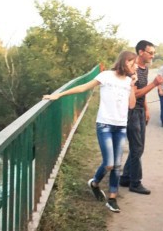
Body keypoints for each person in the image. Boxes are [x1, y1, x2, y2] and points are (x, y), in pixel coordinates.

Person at [43, 50, 138, 213]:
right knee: (109, 163)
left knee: (117, 165)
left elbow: (131, 105)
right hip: (105, 125)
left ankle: (112, 198)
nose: (135, 66)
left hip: (121, 126)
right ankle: (94, 183)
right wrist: (59, 95)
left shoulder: (129, 81)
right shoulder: (106, 76)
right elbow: (83, 88)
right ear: (124, 62)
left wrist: (132, 85)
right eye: (133, 63)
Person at [119, 40, 163, 195]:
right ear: (140, 52)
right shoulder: (133, 70)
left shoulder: (145, 68)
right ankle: (135, 182)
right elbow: (135, 93)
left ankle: (125, 177)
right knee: (137, 148)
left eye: (153, 53)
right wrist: (154, 84)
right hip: (131, 112)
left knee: (138, 148)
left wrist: (146, 109)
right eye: (150, 52)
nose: (153, 55)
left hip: (139, 111)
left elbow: (142, 94)